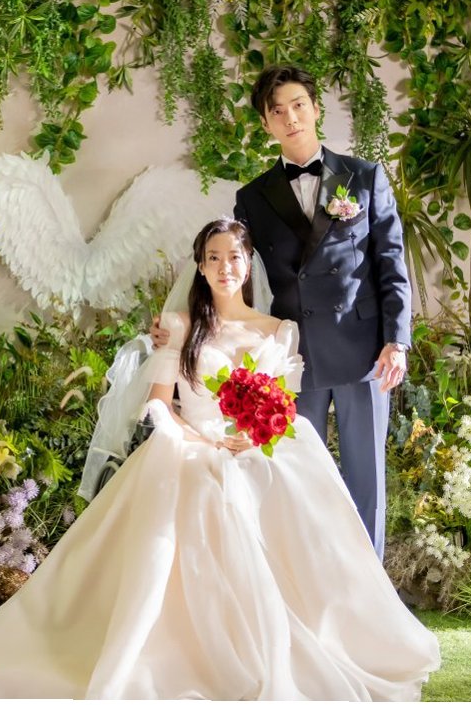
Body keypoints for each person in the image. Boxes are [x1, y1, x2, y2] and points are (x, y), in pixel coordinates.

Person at [0, 217, 439, 700]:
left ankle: (296, 640)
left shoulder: (279, 330)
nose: (225, 267)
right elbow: (159, 404)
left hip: (255, 446)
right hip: (191, 444)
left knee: (282, 491)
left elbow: (283, 405)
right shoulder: (180, 325)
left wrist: (257, 434)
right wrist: (199, 441)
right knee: (199, 491)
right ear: (200, 266)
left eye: (234, 257)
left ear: (248, 262)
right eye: (213, 258)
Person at [153, 64, 412, 560]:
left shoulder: (364, 177)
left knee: (367, 481)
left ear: (315, 109)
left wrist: (396, 341)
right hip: (293, 359)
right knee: (293, 480)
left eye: (298, 106)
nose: (290, 118)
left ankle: (371, 590)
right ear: (266, 123)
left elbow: (391, 263)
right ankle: (304, 585)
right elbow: (234, 274)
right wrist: (182, 325)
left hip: (363, 353)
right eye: (278, 111)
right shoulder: (252, 197)